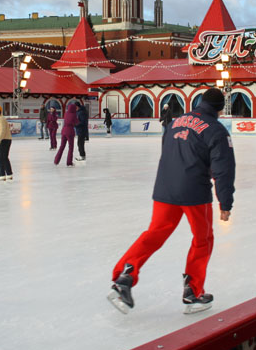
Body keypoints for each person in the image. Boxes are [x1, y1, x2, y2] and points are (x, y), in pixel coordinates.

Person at [108, 88, 235, 315]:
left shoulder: (176, 122)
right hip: (194, 192)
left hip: (165, 188)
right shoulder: (216, 130)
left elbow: (167, 151)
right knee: (203, 239)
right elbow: (223, 169)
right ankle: (193, 292)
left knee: (154, 234)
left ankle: (124, 276)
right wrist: (225, 203)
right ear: (219, 109)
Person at [54, 101, 79, 167]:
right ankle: (69, 162)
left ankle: (56, 160)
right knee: (70, 148)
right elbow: (76, 122)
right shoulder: (74, 114)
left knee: (62, 146)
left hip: (64, 130)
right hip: (70, 131)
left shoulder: (66, 113)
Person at [0, 107, 13, 181]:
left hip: (3, 140)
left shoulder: (1, 119)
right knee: (4, 157)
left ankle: (2, 174)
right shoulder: (0, 119)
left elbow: (2, 130)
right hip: (5, 139)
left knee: (1, 158)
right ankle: (9, 173)